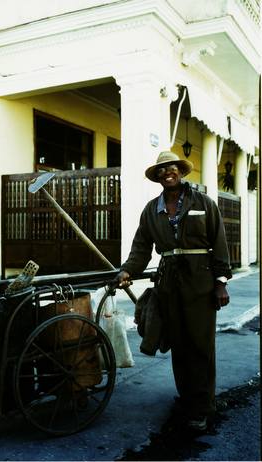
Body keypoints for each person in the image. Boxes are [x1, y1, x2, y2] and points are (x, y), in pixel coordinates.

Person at [116, 151, 231, 431]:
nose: (168, 172)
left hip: (200, 282)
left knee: (200, 345)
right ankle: (188, 397)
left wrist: (221, 282)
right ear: (158, 177)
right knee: (178, 344)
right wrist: (127, 269)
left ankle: (202, 407)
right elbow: (141, 246)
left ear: (180, 171)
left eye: (172, 168)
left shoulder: (203, 203)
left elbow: (219, 241)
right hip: (168, 283)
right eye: (162, 170)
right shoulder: (151, 209)